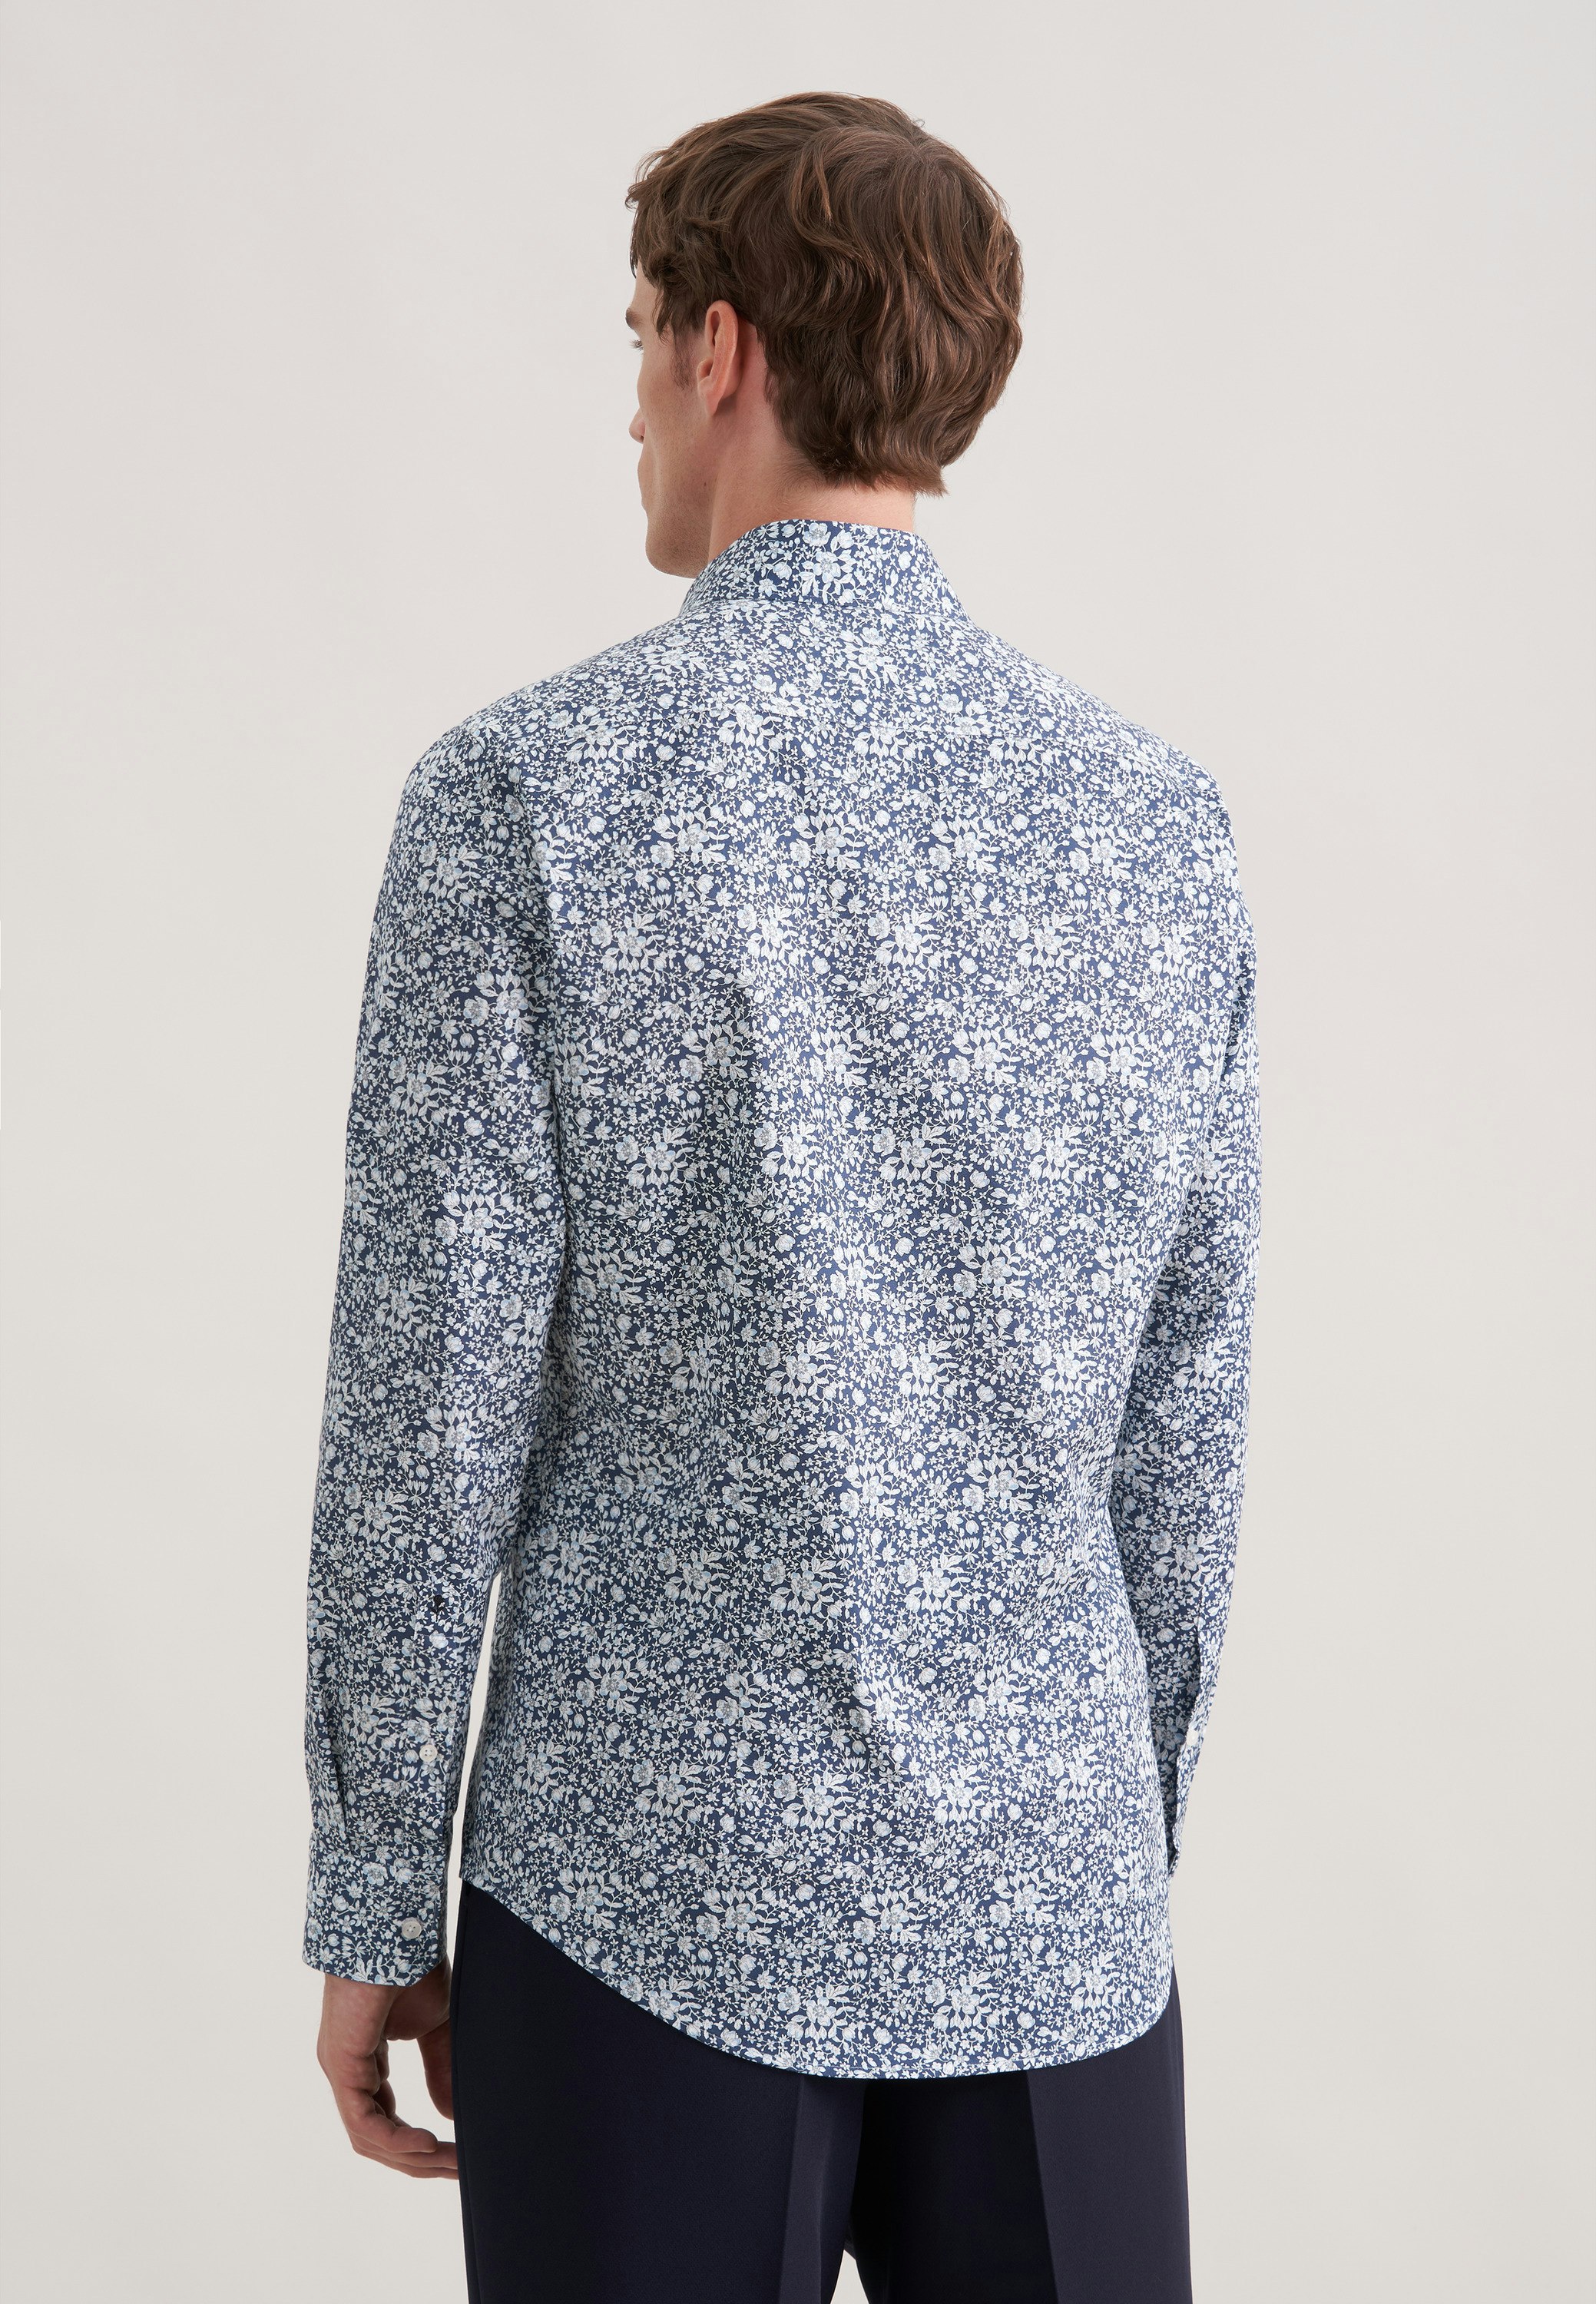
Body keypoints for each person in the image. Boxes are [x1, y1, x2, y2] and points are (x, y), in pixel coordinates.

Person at [302, 91, 1260, 2304]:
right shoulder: (1156, 828)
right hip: (1047, 1908)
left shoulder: (528, 799)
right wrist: (1095, 1836)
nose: (632, 402)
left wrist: (372, 1892)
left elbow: (426, 1417)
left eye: (639, 339)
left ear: (721, 350)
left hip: (637, 1896)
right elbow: (1186, 1427)